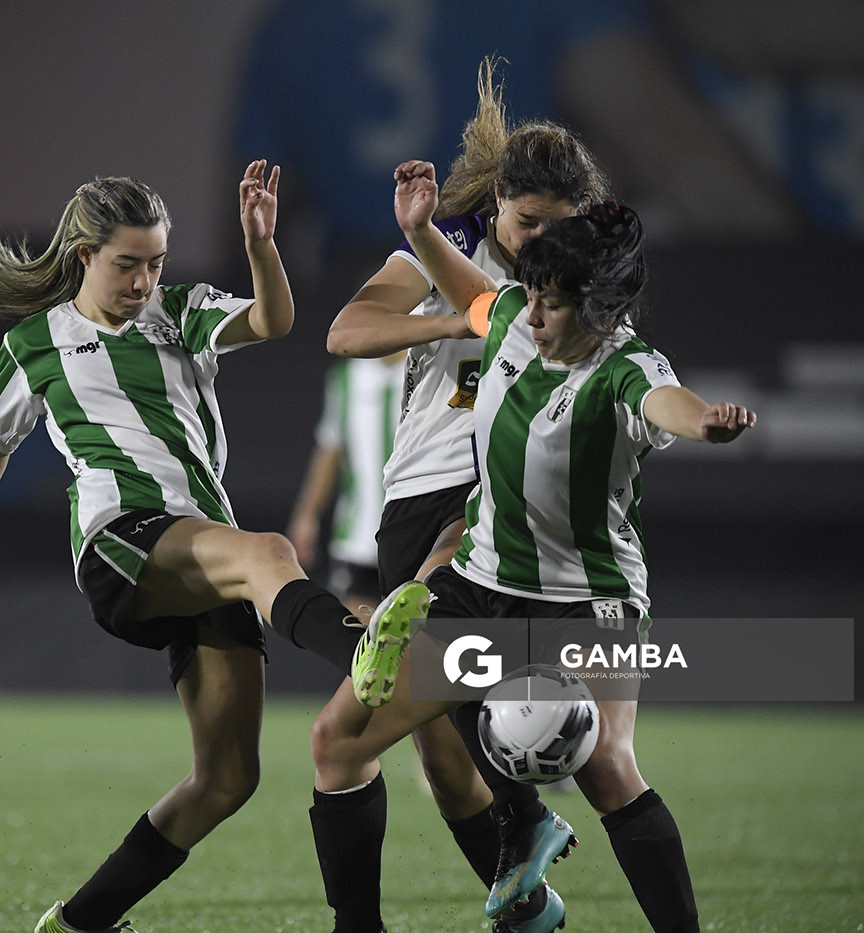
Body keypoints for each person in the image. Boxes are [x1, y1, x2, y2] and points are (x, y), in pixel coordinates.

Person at [0, 164, 429, 933]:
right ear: (83, 254)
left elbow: (275, 320)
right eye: (127, 263)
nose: (145, 280)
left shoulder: (178, 313)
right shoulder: (35, 344)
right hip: (122, 541)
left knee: (226, 778)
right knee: (270, 551)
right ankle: (369, 651)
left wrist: (260, 246)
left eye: (156, 262)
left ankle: (79, 921)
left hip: (199, 548)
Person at [314, 166, 756, 933]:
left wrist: (707, 425)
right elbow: (451, 291)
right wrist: (418, 230)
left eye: (557, 302)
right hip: (478, 585)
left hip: (585, 604)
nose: (537, 314)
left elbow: (670, 406)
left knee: (608, 769)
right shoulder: (514, 311)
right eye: (535, 295)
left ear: (602, 306)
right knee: (338, 739)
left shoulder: (626, 369)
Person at [316, 57, 610, 931]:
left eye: (557, 228)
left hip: (495, 492)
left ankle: (423, 613)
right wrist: (453, 312)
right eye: (526, 223)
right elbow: (346, 331)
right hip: (412, 493)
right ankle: (525, 861)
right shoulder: (451, 253)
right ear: (499, 208)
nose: (538, 243)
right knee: (442, 757)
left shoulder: (581, 288)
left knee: (449, 577)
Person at [285, 352, 406, 615]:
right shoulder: (346, 376)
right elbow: (330, 450)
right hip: (358, 538)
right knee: (358, 642)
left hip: (420, 537)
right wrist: (306, 516)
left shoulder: (434, 366)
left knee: (423, 642)